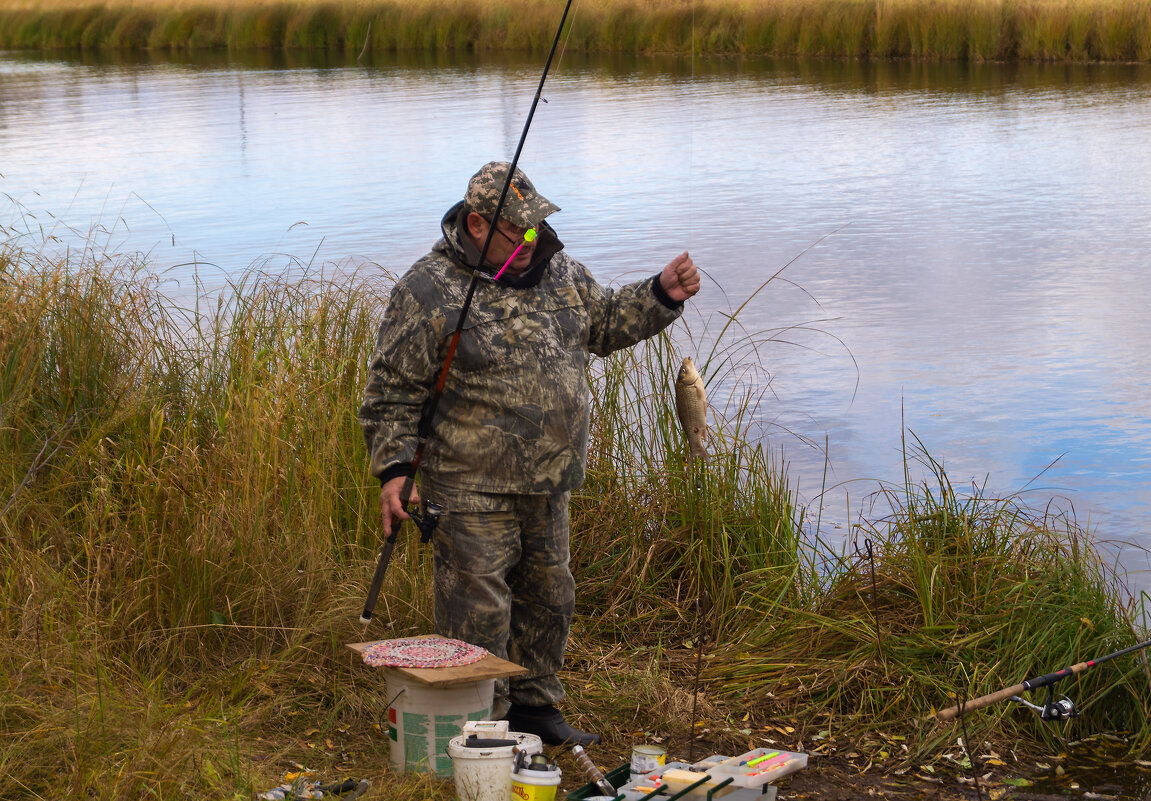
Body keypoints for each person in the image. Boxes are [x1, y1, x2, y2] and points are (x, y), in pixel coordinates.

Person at [359, 161, 700, 747]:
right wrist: (395, 473)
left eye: (536, 225)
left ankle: (536, 709)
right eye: (519, 229)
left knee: (550, 596)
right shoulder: (426, 289)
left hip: (550, 481)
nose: (532, 238)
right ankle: (479, 727)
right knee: (479, 610)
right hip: (467, 487)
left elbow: (607, 323)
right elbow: (391, 391)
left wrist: (660, 295)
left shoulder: (559, 270)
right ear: (475, 225)